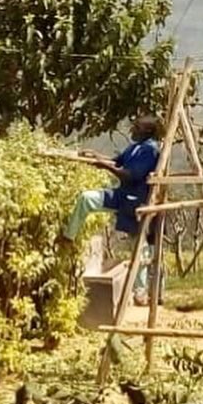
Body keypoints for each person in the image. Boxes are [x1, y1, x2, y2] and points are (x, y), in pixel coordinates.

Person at [60, 115, 163, 306]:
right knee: (86, 199)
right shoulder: (135, 147)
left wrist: (104, 166)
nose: (132, 131)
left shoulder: (150, 150)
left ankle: (142, 292)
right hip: (121, 196)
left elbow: (130, 176)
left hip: (136, 203)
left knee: (139, 246)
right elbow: (116, 162)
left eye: (136, 127)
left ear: (147, 131)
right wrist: (95, 156)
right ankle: (68, 236)